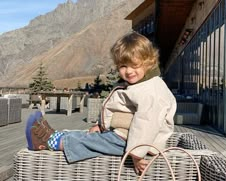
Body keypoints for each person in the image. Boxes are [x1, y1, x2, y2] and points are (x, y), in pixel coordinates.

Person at [25, 32, 176, 174]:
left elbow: (146, 123)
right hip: (124, 134)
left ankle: (52, 142)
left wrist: (137, 154)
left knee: (91, 142)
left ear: (148, 63)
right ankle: (55, 134)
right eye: (123, 66)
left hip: (136, 142)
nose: (128, 71)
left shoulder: (152, 91)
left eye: (134, 65)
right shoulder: (141, 84)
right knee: (89, 135)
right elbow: (122, 112)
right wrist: (102, 125)